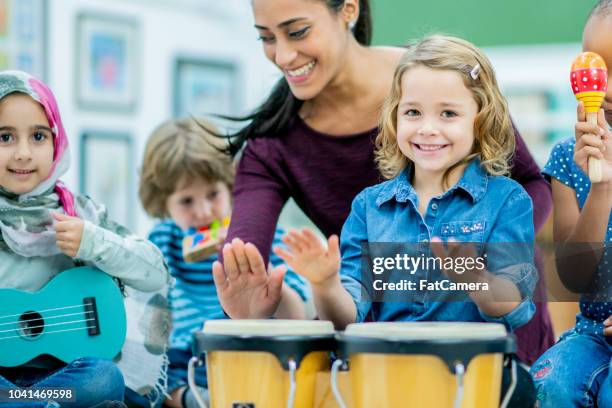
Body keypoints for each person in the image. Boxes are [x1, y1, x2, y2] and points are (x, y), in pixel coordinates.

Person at [211, 0, 554, 364]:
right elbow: (257, 273)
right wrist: (259, 304)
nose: (282, 55)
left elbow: (531, 183)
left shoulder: (437, 72)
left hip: (497, 352)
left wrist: (482, 263)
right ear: (391, 119)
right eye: (266, 38)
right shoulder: (285, 154)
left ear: (347, 10)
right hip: (387, 359)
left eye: (297, 31)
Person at [0, 70, 169, 407]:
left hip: (65, 375)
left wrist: (93, 242)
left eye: (38, 136)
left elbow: (155, 274)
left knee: (105, 378)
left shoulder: (79, 212)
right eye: (5, 137)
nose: (22, 153)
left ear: (56, 140)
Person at [138, 117, 309, 408]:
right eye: (186, 201)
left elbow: (298, 319)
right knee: (151, 368)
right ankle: (189, 399)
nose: (204, 212)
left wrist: (263, 272)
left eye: (213, 194)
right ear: (163, 202)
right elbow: (150, 324)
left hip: (247, 351)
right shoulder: (162, 241)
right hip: (187, 356)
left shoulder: (262, 235)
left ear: (231, 186)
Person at [529, 1, 612, 406]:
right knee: (549, 385)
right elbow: (576, 278)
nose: (605, 89)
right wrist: (602, 187)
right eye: (598, 69)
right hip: (593, 332)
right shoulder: (567, 160)